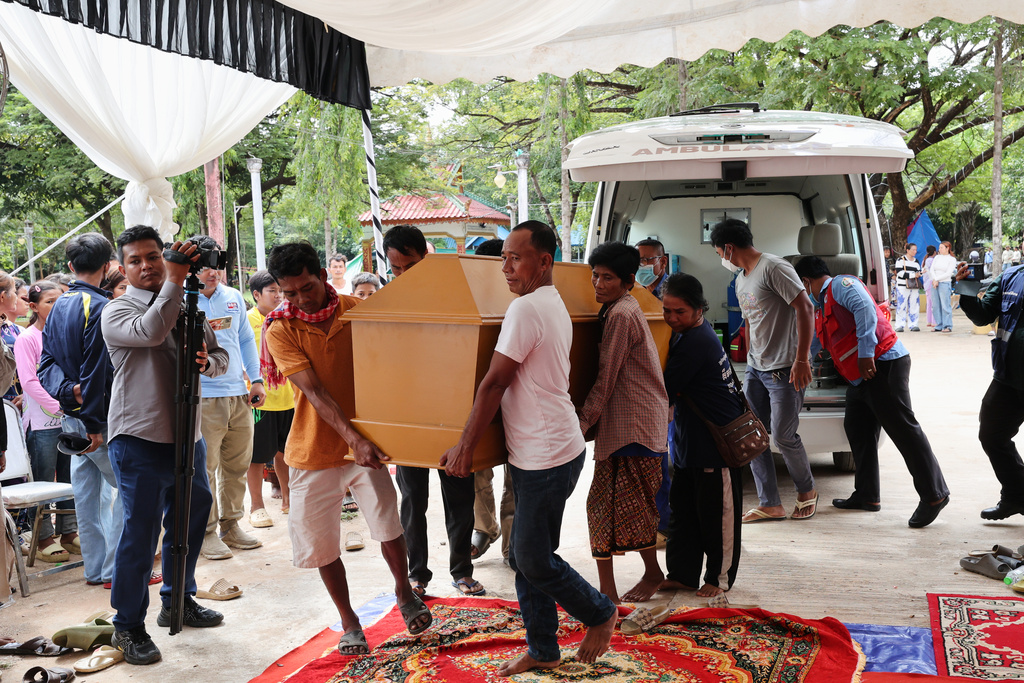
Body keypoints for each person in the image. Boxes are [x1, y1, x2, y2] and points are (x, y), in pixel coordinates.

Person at [441, 221, 618, 676]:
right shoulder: (545, 300)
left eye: (515, 258)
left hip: (548, 453)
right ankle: (542, 648)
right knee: (531, 557)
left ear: (544, 261)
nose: (505, 268)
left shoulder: (527, 310)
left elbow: (495, 382)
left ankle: (598, 611)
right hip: (542, 450)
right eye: (502, 258)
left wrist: (465, 446)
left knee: (530, 557)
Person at [262, 241, 432, 655]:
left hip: (369, 445)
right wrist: (352, 439)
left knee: (389, 526)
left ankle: (403, 593)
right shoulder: (281, 328)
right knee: (321, 543)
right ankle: (349, 620)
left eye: (306, 288)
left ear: (322, 274)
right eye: (290, 293)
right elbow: (315, 392)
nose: (300, 299)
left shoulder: (360, 309)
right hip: (313, 450)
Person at [102, 227, 228, 665]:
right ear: (123, 267)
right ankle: (127, 626)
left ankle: (179, 600)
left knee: (191, 523)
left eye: (153, 256)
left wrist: (207, 362)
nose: (146, 265)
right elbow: (153, 331)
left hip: (187, 437)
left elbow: (220, 355)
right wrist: (174, 280)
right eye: (135, 260)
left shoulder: (191, 306)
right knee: (140, 534)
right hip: (138, 438)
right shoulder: (117, 311)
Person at [795, 257, 949, 527]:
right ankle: (867, 495)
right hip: (860, 378)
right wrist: (801, 360)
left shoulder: (841, 285)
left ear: (806, 280)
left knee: (904, 429)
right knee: (857, 427)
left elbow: (865, 310)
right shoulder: (820, 306)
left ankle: (934, 495)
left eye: (801, 284)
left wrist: (866, 354)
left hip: (882, 364)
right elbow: (819, 341)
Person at [382, 224, 483, 597]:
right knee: (412, 499)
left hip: (451, 413)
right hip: (406, 415)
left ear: (426, 256)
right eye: (396, 269)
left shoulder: (453, 296)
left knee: (459, 496)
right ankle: (417, 575)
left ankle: (461, 570)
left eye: (410, 266)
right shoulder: (385, 301)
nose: (403, 276)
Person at [578, 242, 669, 604]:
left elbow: (606, 377)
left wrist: (580, 425)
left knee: (623, 508)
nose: (598, 284)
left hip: (634, 425)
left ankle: (620, 588)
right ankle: (616, 588)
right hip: (631, 423)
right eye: (595, 276)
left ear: (629, 280)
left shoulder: (621, 314)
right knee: (614, 508)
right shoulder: (621, 307)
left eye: (608, 278)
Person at [711, 219, 818, 522]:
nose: (721, 258)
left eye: (720, 252)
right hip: (756, 368)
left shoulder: (773, 266)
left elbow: (805, 308)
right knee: (752, 434)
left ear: (729, 248)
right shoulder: (742, 278)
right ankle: (770, 503)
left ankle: (807, 491)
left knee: (783, 436)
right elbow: (753, 320)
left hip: (785, 368)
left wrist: (801, 360)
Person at [38, 233, 124, 590]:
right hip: (96, 420)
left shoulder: (59, 304)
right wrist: (91, 418)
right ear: (108, 267)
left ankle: (96, 569)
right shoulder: (101, 307)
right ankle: (117, 570)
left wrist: (66, 393)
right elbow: (95, 370)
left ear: (71, 267)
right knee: (130, 493)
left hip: (73, 417)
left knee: (88, 497)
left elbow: (46, 366)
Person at [658, 273, 744, 597]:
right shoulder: (687, 333)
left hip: (714, 449)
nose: (671, 318)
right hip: (687, 445)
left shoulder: (695, 342)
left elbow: (663, 389)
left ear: (698, 309)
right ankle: (682, 573)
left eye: (679, 311)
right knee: (683, 514)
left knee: (716, 517)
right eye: (667, 311)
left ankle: (718, 579)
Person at [194, 237, 266, 561]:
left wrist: (257, 379)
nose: (214, 272)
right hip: (204, 398)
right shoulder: (184, 302)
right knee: (206, 468)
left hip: (239, 395)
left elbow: (246, 341)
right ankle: (207, 533)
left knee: (236, 464)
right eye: (207, 266)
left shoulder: (233, 297)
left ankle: (231, 525)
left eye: (218, 265)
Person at [14, 281, 78, 562]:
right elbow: (29, 381)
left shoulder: (67, 334)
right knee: (42, 478)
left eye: (60, 300)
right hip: (41, 424)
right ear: (33, 307)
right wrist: (60, 404)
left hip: (69, 419)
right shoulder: (27, 339)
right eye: (49, 301)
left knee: (69, 477)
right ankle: (43, 538)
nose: (56, 306)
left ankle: (69, 532)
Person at [958, 259, 1024, 520]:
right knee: (992, 435)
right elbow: (983, 315)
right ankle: (1016, 495)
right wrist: (966, 287)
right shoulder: (1010, 276)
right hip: (1008, 377)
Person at [467, 237, 515, 563]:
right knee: (478, 468)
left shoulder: (520, 301)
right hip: (480, 399)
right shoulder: (470, 301)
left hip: (514, 400)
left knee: (517, 474)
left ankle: (513, 546)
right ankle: (485, 528)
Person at [245, 270, 294, 528]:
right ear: (256, 295)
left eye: (280, 290)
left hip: (289, 397)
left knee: (286, 453)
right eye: (272, 291)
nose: (278, 295)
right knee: (256, 455)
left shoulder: (287, 317)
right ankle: (256, 507)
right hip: (261, 401)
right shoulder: (247, 320)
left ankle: (288, 500)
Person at [634, 238, 673, 542]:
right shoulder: (632, 293)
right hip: (642, 388)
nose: (644, 266)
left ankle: (668, 525)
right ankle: (654, 523)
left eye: (650, 260)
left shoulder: (673, 293)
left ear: (664, 260)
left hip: (668, 386)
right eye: (639, 260)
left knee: (667, 458)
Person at [1, 274, 23, 402]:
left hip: (14, 401)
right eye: (15, 292)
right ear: (3, 296)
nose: (17, 296)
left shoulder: (12, 328)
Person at [893, 243, 921, 332]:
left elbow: (918, 271)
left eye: (916, 250)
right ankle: (899, 325)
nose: (915, 251)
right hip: (902, 286)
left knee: (914, 304)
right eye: (913, 249)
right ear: (907, 250)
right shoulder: (900, 260)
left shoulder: (916, 261)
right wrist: (913, 275)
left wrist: (919, 274)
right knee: (901, 305)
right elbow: (900, 273)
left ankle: (913, 324)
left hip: (914, 286)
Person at [930, 241, 957, 333]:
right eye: (939, 247)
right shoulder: (937, 257)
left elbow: (948, 273)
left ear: (947, 248)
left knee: (945, 305)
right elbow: (932, 269)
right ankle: (939, 324)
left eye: (942, 247)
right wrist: (934, 279)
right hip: (934, 282)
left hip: (944, 283)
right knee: (935, 305)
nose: (940, 249)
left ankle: (947, 325)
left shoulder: (952, 259)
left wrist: (937, 279)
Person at [922, 245, 937, 327]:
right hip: (931, 283)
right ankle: (934, 321)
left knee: (929, 303)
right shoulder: (932, 260)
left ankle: (929, 321)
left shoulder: (925, 260)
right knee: (934, 303)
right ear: (934, 252)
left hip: (926, 284)